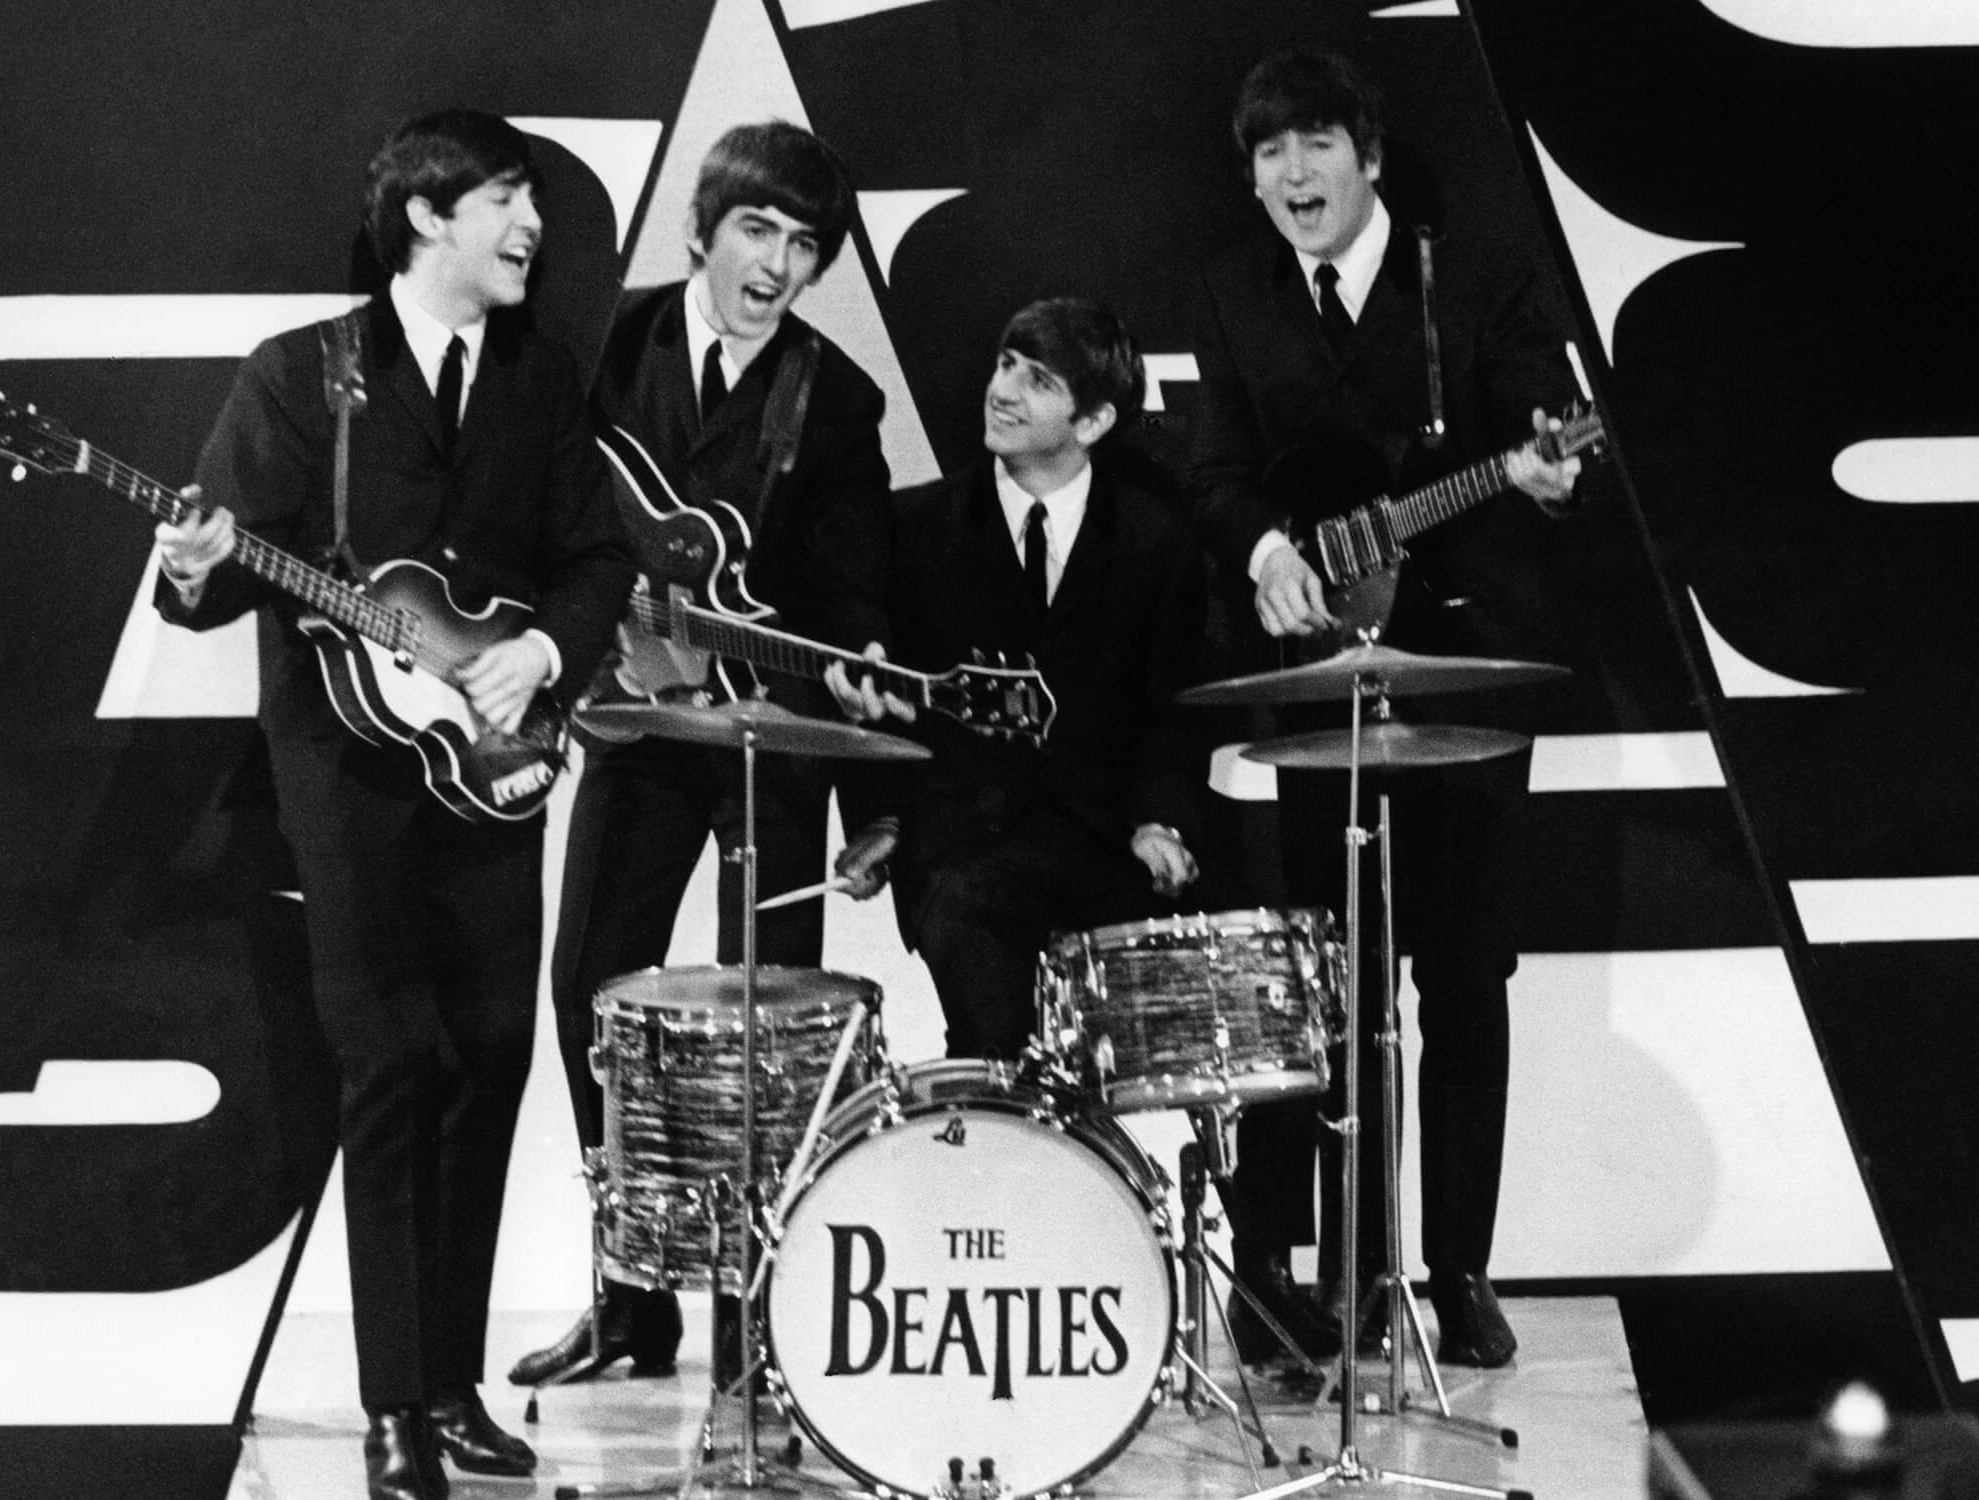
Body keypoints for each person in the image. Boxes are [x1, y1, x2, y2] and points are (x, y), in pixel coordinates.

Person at [155, 111, 635, 1500]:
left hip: (495, 773)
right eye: (504, 198)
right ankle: (390, 1410)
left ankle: (452, 1387)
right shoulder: (303, 376)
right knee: (390, 1067)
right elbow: (215, 579)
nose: (531, 226)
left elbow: (598, 557)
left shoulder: (545, 379)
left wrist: (541, 653)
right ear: (427, 217)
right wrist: (194, 564)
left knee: (491, 1056)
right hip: (352, 781)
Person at [1186, 49, 1582, 1370]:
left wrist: (1543, 467)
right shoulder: (1240, 295)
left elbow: (1548, 418)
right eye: (1267, 157)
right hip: (1320, 681)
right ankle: (1352, 1278)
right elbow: (1219, 468)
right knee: (1337, 986)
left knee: (1465, 976)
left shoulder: (1468, 279)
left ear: (1364, 153)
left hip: (1463, 674)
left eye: (1313, 147)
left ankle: (1461, 1270)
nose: (1292, 177)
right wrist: (1263, 553)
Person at [509, 120, 891, 1387]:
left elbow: (847, 598)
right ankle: (629, 1299)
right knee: (590, 1002)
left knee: (766, 1031)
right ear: (701, 230)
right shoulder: (594, 342)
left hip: (764, 750)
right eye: (756, 232)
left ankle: (754, 1325)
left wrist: (841, 658)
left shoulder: (835, 400)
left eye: (802, 244)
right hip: (624, 728)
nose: (777, 265)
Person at [825, 296, 1204, 1061]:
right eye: (1004, 365)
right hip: (960, 856)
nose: (1002, 390)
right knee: (996, 1046)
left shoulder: (1158, 538)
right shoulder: (912, 528)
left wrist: (1161, 822)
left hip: (1107, 850)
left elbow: (1178, 708)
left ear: (1093, 421)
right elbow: (872, 700)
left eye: (1037, 380)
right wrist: (878, 820)